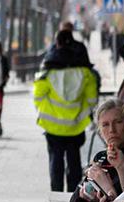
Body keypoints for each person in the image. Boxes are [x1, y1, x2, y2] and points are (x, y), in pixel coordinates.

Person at [33, 30, 99, 192]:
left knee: (55, 160)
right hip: (76, 125)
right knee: (74, 159)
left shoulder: (48, 72)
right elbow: (92, 100)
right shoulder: (85, 73)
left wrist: (47, 110)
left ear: (57, 43)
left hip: (52, 125)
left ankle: (56, 191)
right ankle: (73, 191)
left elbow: (38, 95)